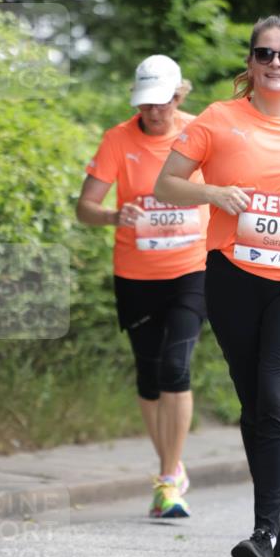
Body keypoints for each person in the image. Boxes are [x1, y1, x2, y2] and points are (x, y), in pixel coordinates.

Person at [155, 15, 280, 557]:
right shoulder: (218, 119)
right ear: (251, 62)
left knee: (277, 398)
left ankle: (263, 533)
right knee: (254, 404)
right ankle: (275, 510)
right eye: (265, 54)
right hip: (233, 275)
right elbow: (166, 183)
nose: (275, 64)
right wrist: (213, 193)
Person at [76, 55, 208, 518]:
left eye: (162, 102)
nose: (153, 111)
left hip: (191, 269)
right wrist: (115, 215)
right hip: (135, 274)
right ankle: (170, 468)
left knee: (176, 367)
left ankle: (168, 481)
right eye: (145, 103)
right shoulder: (118, 139)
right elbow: (85, 207)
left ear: (179, 96)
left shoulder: (199, 133)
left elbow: (229, 186)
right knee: (149, 378)